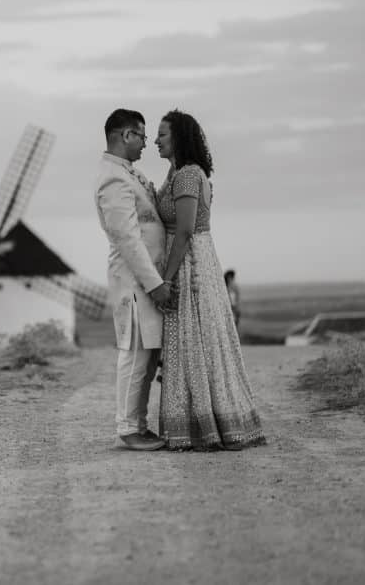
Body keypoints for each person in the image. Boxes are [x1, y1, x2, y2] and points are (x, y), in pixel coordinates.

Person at [153, 109, 264, 451]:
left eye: (163, 134)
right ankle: (197, 420)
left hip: (190, 264)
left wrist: (166, 279)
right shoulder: (176, 173)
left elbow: (184, 231)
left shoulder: (187, 176)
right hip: (191, 256)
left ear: (180, 138)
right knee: (191, 339)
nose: (156, 140)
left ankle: (204, 423)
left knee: (193, 337)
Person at [94, 108, 173, 451]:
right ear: (126, 135)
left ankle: (139, 423)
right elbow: (127, 238)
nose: (146, 142)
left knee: (148, 353)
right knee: (136, 352)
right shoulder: (114, 179)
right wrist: (154, 282)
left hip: (146, 279)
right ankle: (128, 427)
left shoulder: (129, 173)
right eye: (141, 135)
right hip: (134, 281)